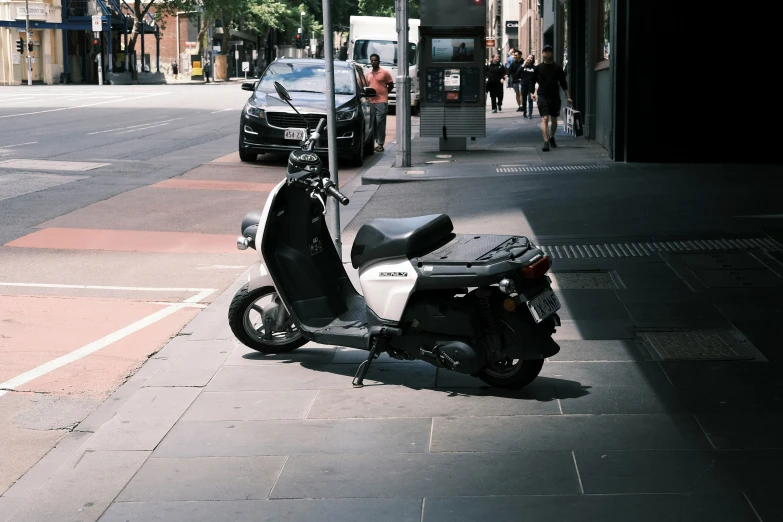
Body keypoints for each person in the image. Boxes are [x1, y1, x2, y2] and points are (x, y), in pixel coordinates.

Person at [530, 44, 571, 151]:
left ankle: (552, 137)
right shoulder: (538, 68)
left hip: (555, 97)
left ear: (552, 53)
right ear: (542, 53)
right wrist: (532, 93)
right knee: (544, 118)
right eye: (546, 51)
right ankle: (546, 141)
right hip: (542, 95)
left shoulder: (557, 68)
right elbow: (532, 81)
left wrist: (568, 96)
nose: (547, 52)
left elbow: (563, 83)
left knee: (554, 120)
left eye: (549, 51)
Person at [364, 53, 394, 152]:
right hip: (371, 102)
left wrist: (385, 93)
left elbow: (391, 85)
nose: (373, 62)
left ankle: (380, 144)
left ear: (379, 61)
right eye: (372, 60)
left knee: (380, 122)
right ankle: (372, 144)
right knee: (372, 123)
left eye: (375, 60)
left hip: (381, 101)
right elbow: (364, 85)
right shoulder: (368, 74)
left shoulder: (385, 73)